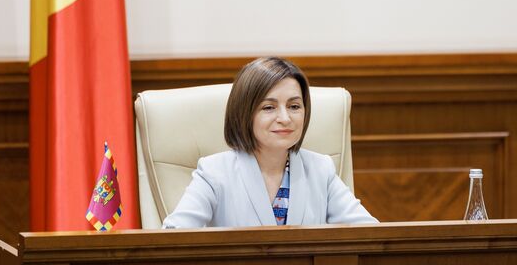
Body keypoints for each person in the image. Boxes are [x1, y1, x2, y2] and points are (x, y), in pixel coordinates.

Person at [162, 57, 378, 228]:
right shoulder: (213, 172)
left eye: (294, 106)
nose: (285, 118)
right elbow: (173, 238)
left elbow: (369, 234)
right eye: (269, 107)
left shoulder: (321, 169)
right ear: (244, 114)